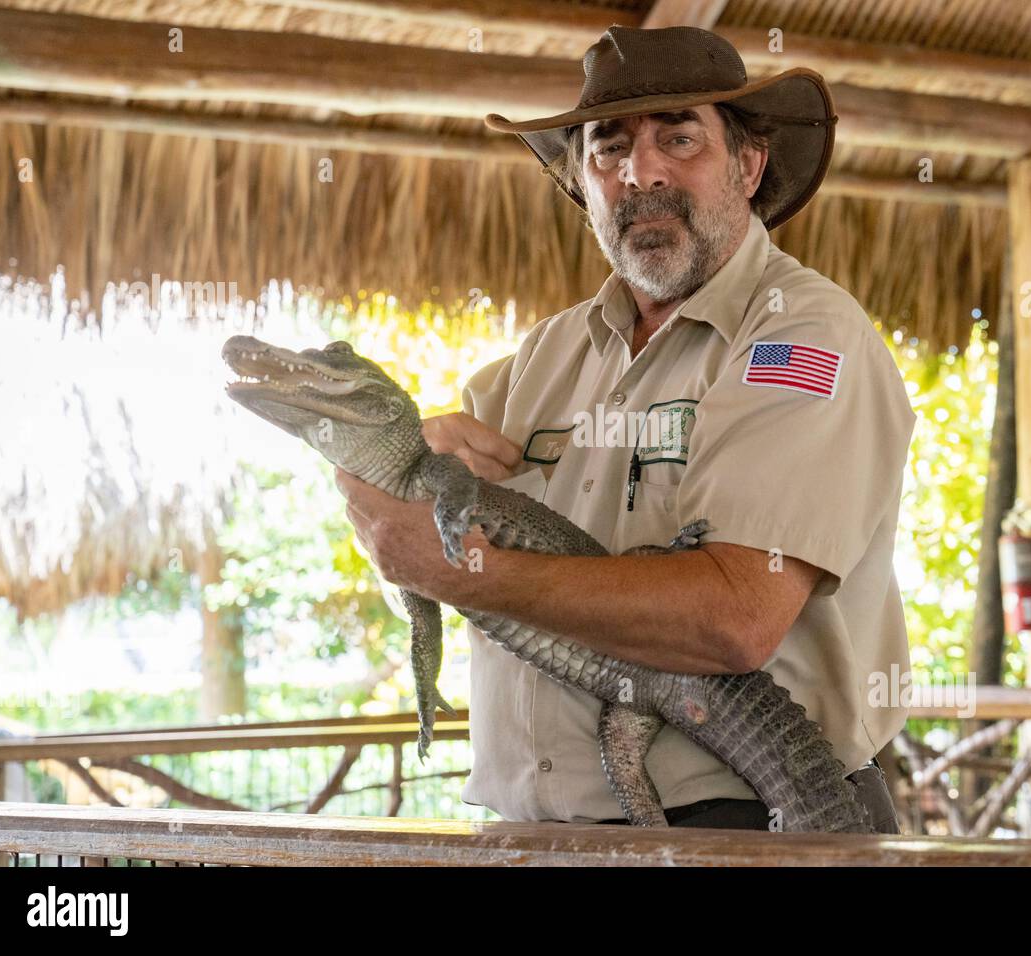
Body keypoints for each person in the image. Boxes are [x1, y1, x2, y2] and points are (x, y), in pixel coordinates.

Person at [336, 25, 915, 833]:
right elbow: (411, 517)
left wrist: (458, 570)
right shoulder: (534, 363)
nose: (640, 172)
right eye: (608, 150)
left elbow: (734, 618)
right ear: (582, 182)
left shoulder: (802, 336)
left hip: (751, 828)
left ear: (749, 166)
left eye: (679, 138)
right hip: (531, 832)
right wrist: (406, 467)